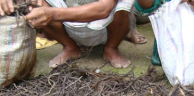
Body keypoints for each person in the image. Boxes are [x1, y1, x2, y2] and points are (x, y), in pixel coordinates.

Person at [0, 0, 143, 69]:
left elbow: (104, 9)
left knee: (125, 3)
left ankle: (111, 48)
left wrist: (53, 14)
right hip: (67, 27)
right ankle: (70, 47)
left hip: (107, 25)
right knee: (34, 3)